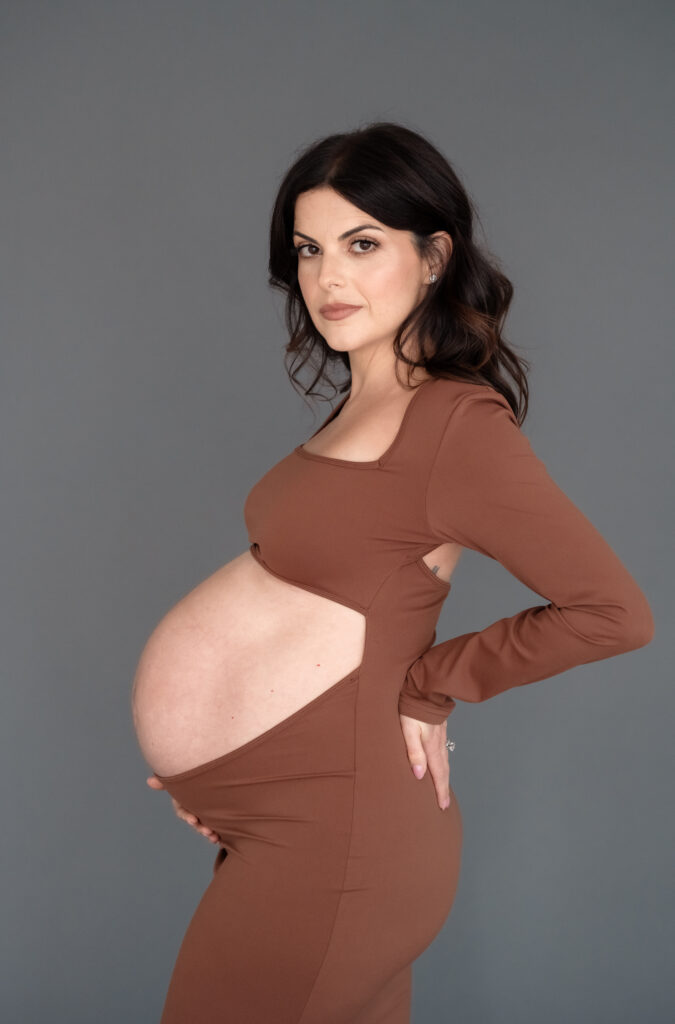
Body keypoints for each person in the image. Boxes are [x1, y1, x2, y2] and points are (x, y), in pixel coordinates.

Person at [133, 121, 654, 1023]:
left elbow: (612, 612)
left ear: (432, 257)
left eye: (362, 244)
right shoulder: (357, 405)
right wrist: (219, 777)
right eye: (308, 250)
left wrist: (434, 684)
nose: (327, 278)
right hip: (289, 821)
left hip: (338, 836)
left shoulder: (454, 422)